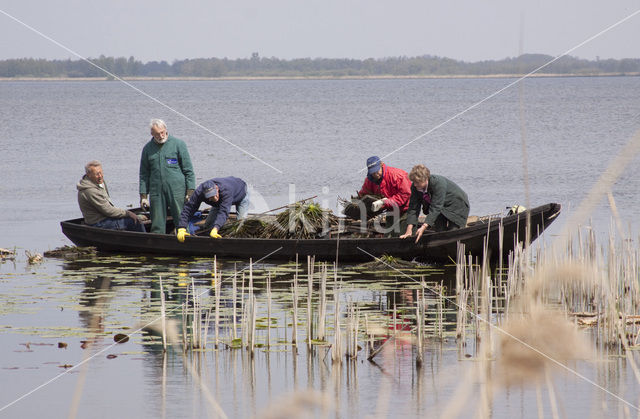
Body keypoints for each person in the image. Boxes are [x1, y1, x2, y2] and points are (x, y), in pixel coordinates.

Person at [139, 118, 196, 234]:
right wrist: (143, 196)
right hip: (156, 191)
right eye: (157, 134)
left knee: (181, 219)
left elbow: (189, 170)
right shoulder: (147, 149)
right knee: (157, 223)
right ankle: (158, 244)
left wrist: (190, 192)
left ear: (166, 130)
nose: (160, 136)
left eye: (162, 132)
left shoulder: (178, 144)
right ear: (152, 134)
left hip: (177, 190)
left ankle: (187, 242)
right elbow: (144, 174)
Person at [400, 164, 469, 243]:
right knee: (439, 231)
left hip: (456, 205)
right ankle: (442, 250)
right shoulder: (415, 187)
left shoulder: (438, 183)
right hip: (439, 207)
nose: (415, 184)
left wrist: (424, 226)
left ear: (425, 179)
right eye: (414, 182)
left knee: (453, 232)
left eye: (417, 182)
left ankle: (453, 250)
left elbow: (436, 207)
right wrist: (409, 229)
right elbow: (413, 208)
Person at [77, 160, 146, 232]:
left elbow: (108, 206)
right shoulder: (90, 190)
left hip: (105, 218)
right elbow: (108, 211)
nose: (100, 176)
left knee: (133, 218)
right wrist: (128, 213)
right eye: (97, 174)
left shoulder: (98, 182)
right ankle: (146, 242)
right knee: (136, 222)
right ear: (89, 175)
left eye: (101, 173)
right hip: (98, 223)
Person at [175, 177, 250, 242]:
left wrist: (216, 228)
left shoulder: (226, 190)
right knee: (208, 226)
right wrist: (182, 227)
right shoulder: (199, 192)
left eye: (214, 195)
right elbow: (188, 209)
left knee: (240, 224)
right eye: (210, 197)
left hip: (241, 193)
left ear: (217, 188)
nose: (214, 198)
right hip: (218, 203)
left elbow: (224, 212)